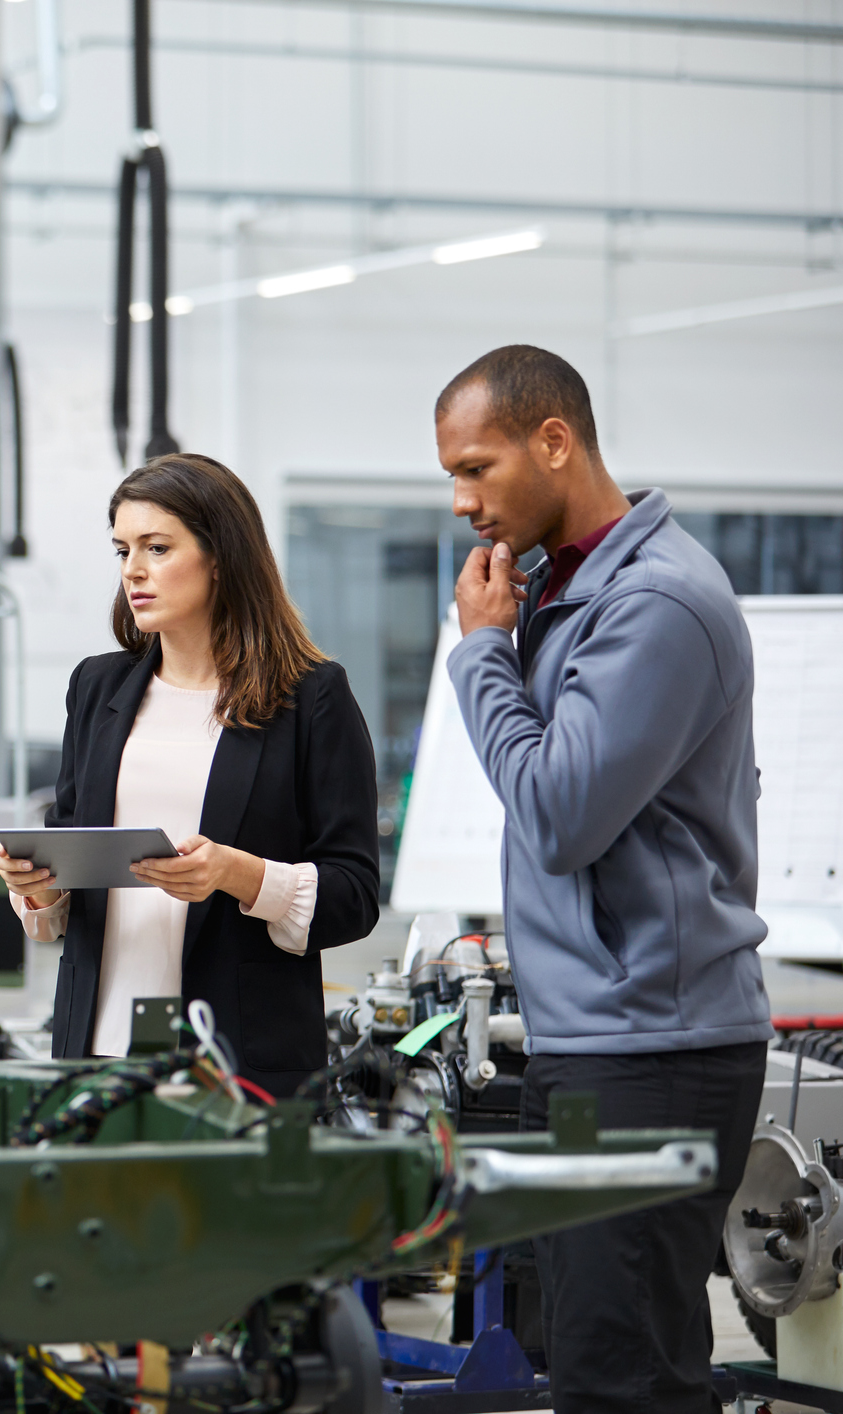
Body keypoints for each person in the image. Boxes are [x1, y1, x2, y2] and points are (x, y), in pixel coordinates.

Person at [437, 345, 769, 1414]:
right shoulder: (567, 590)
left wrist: (482, 654)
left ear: (554, 441)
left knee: (627, 1384)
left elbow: (560, 812)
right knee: (602, 1365)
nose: (461, 502)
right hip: (598, 1038)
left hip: (652, 1046)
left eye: (479, 468)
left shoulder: (658, 602)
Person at [0, 454, 380, 1098]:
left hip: (238, 1065)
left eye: (158, 548)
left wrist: (239, 874)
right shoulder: (97, 688)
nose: (133, 571)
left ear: (222, 555)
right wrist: (36, 886)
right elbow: (66, 881)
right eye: (123, 550)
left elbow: (356, 894)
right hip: (95, 1053)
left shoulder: (311, 698)